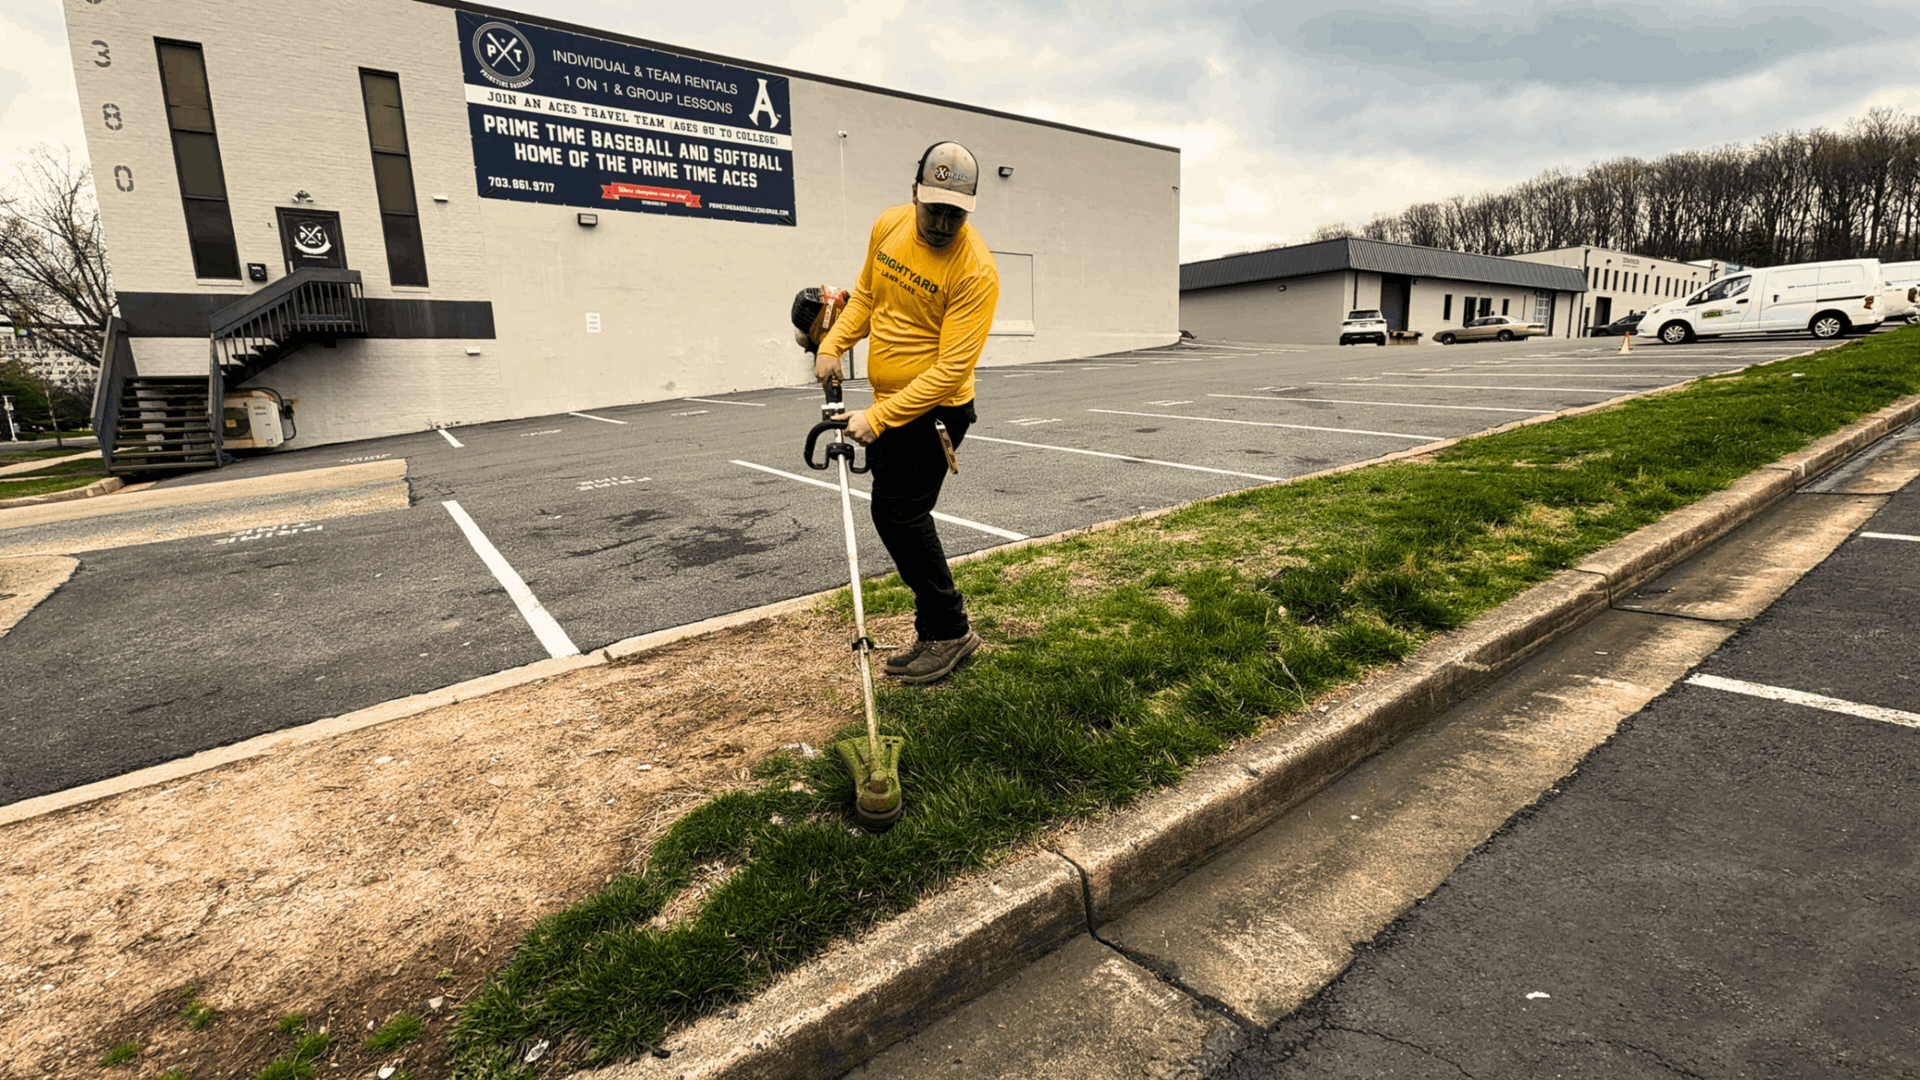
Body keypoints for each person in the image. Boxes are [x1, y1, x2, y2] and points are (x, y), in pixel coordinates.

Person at [812, 141, 1000, 685]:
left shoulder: (975, 271)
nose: (943, 223)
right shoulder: (889, 226)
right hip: (893, 406)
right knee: (893, 513)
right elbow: (867, 297)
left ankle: (949, 631)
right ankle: (939, 626)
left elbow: (949, 370)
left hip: (937, 411)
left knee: (901, 514)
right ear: (914, 192)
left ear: (970, 208)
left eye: (956, 213)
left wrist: (879, 417)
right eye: (934, 207)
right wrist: (833, 345)